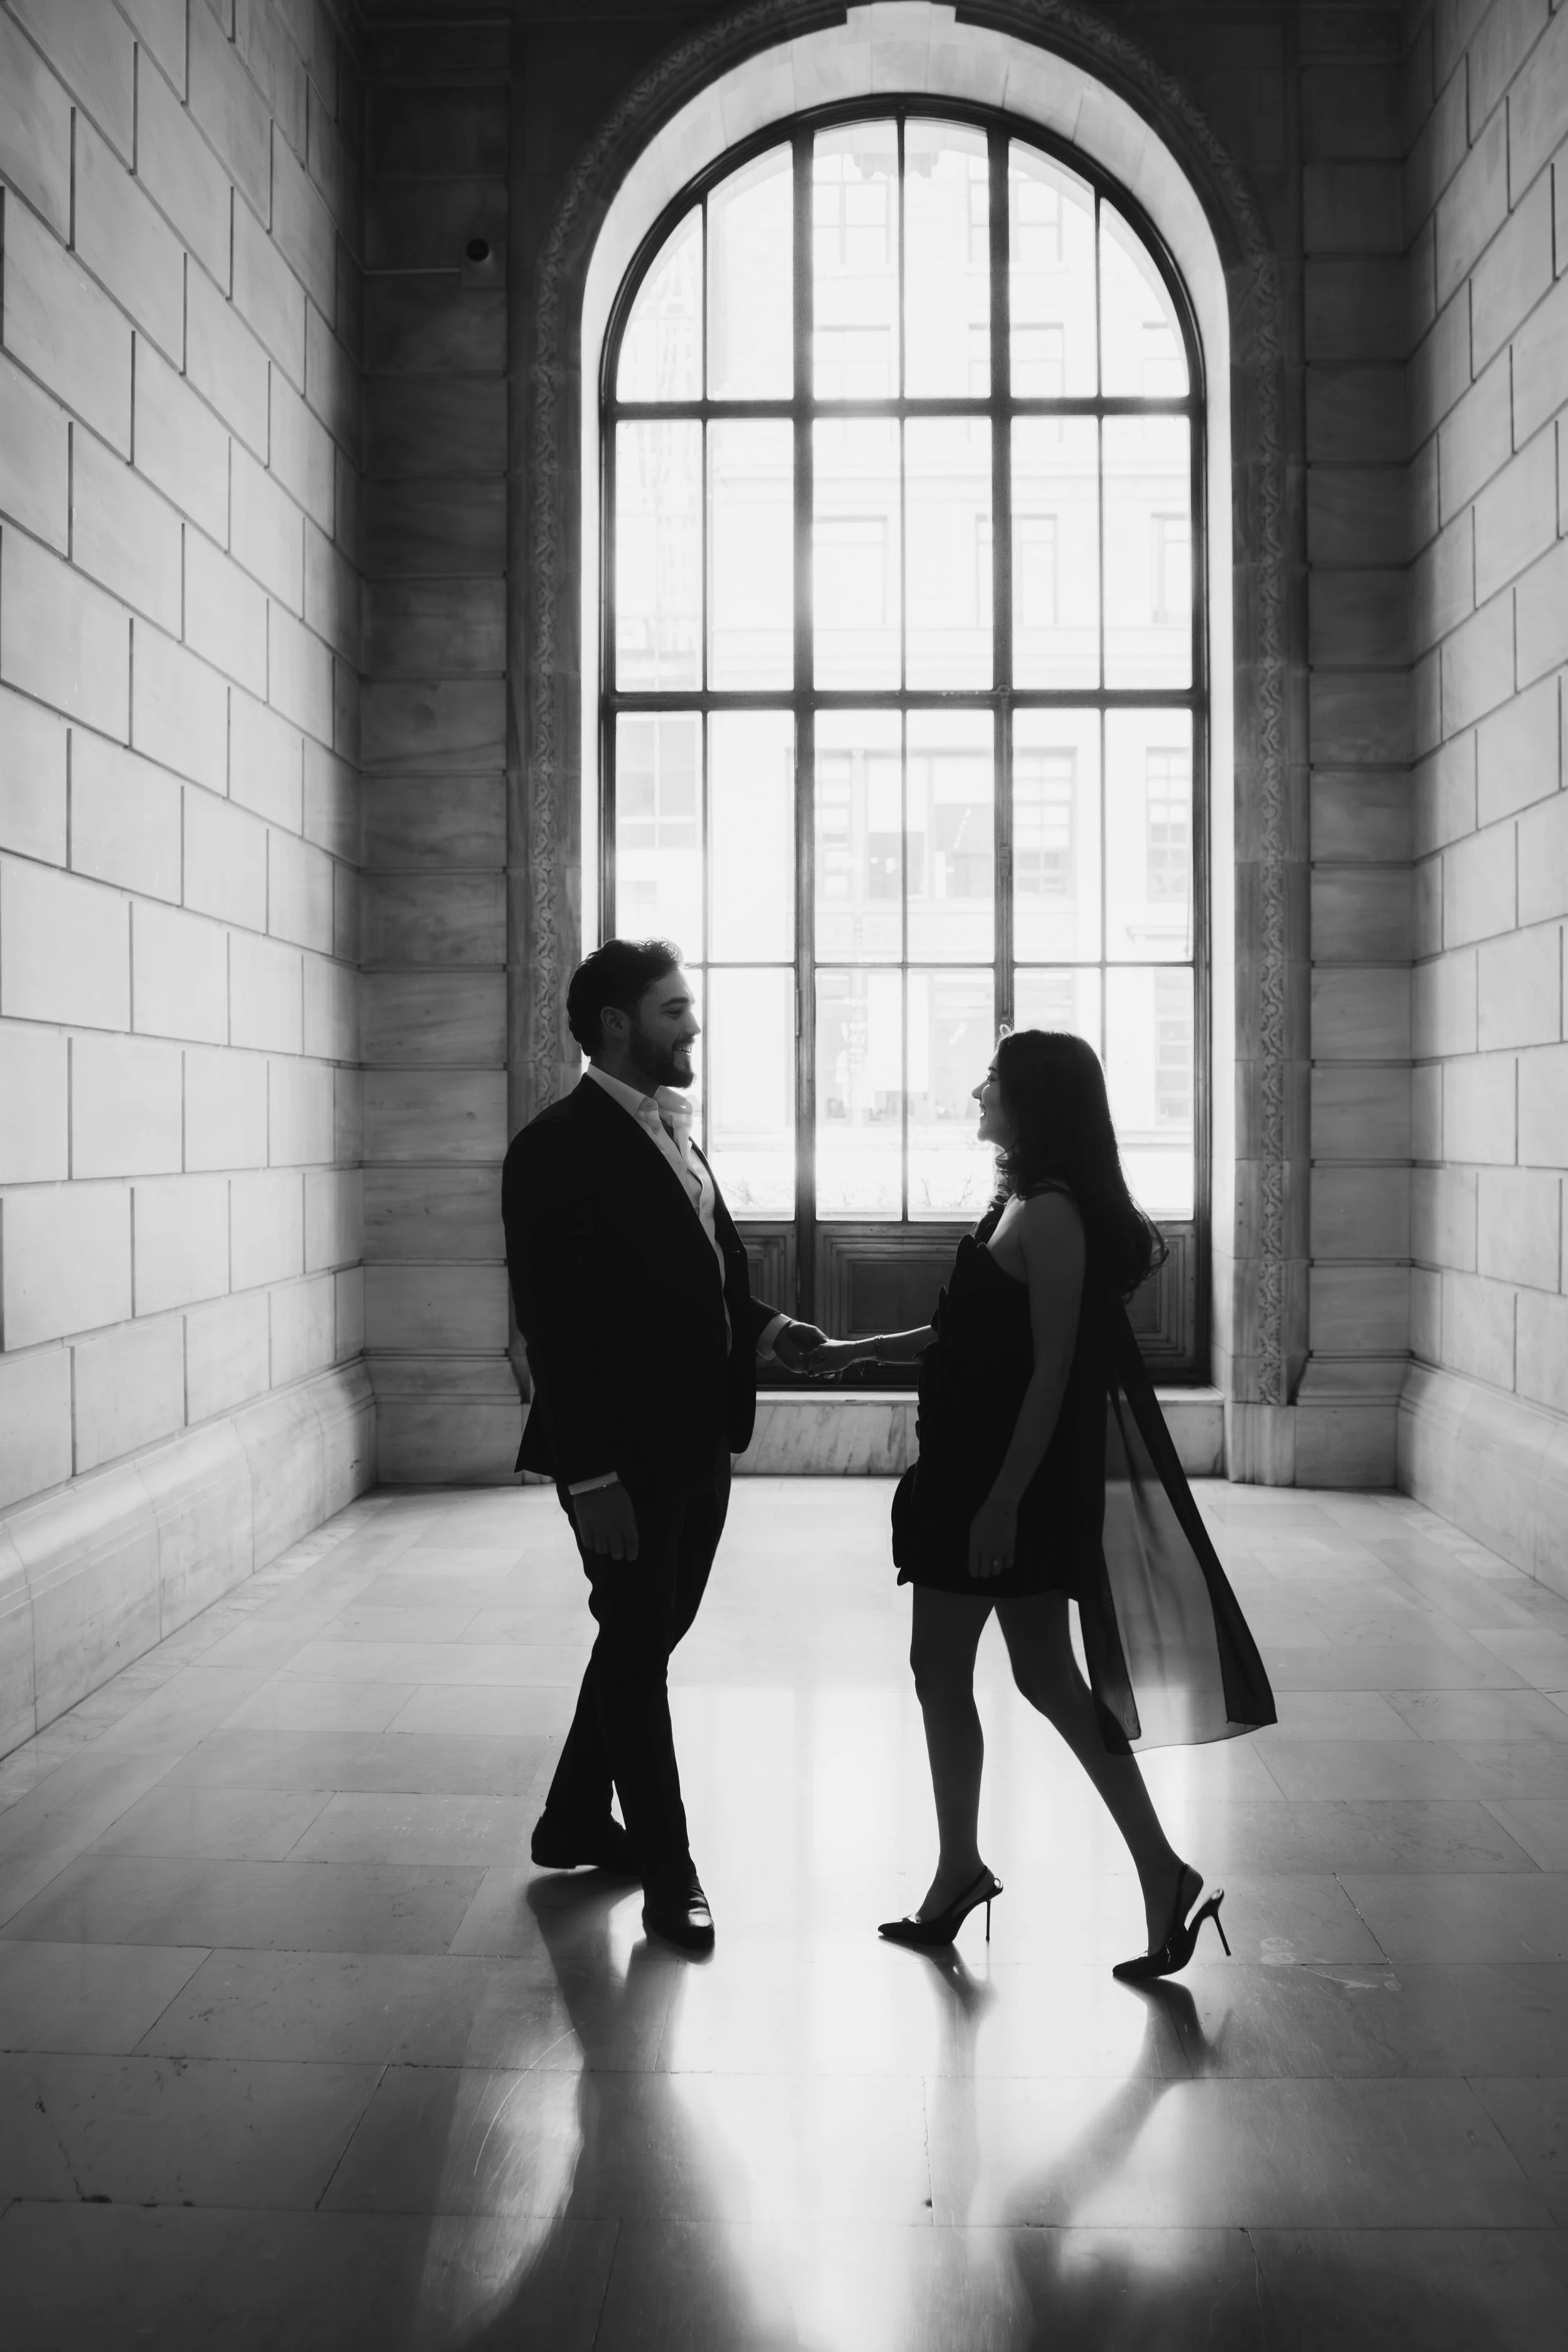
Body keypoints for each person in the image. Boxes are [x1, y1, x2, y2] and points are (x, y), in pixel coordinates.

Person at [807, 1029, 1276, 1980]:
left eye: (995, 1079)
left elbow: (1056, 1370)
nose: (978, 1088)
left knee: (946, 1667)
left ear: (1033, 1102)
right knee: (1040, 1678)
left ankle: (971, 1870)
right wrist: (856, 1349)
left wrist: (1002, 1504)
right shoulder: (1014, 1199)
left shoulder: (1051, 1213)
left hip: (994, 1484)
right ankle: (1151, 1873)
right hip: (975, 1475)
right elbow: (963, 1331)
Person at [503, 940, 825, 1952]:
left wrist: (772, 1334)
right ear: (616, 1025)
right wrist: (590, 1474)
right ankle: (669, 1870)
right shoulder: (557, 1144)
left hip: (698, 1443)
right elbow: (553, 1323)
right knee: (641, 1650)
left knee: (645, 1636)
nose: (693, 1026)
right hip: (620, 1458)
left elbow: (701, 1273)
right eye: (675, 1010)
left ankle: (569, 1819)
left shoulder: (673, 1131)